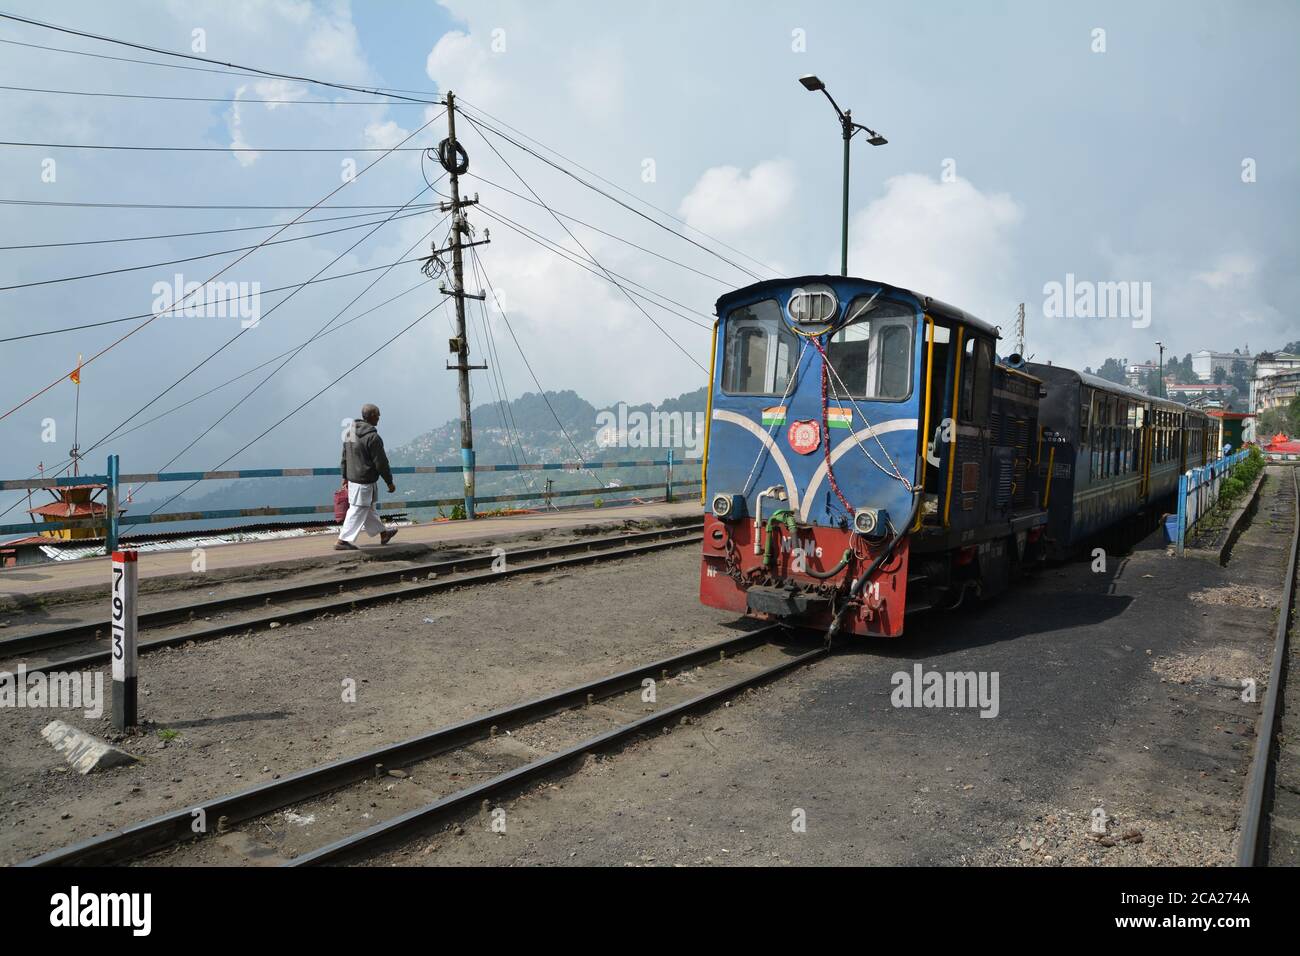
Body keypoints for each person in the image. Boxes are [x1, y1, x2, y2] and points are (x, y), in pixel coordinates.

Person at [336, 403, 398, 550]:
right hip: (364, 481)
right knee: (358, 509)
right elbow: (381, 462)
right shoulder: (373, 437)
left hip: (352, 479)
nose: (379, 418)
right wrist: (389, 482)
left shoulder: (350, 433)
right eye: (378, 415)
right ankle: (342, 540)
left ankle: (383, 533)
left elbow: (344, 457)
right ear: (371, 416)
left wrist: (344, 476)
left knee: (367, 508)